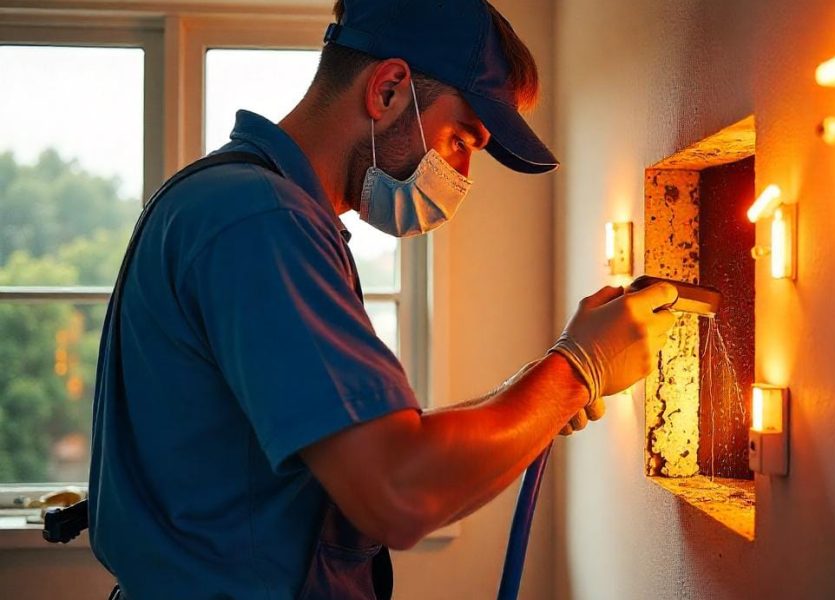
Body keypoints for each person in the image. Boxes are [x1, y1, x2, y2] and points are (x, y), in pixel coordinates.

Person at [88, 1, 679, 598]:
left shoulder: (241, 204)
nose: (462, 174)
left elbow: (366, 445)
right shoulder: (261, 221)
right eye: (460, 139)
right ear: (390, 89)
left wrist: (532, 396)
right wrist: (578, 371)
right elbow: (398, 494)